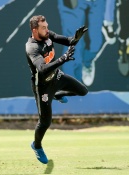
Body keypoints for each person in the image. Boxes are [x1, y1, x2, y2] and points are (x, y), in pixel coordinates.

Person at [25, 15, 88, 164]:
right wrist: (62, 59)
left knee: (83, 91)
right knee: (45, 123)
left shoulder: (48, 35)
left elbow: (68, 41)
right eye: (43, 27)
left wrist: (75, 39)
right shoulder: (32, 47)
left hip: (57, 78)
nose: (47, 30)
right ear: (35, 30)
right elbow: (41, 69)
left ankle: (57, 95)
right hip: (43, 87)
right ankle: (37, 145)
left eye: (47, 26)